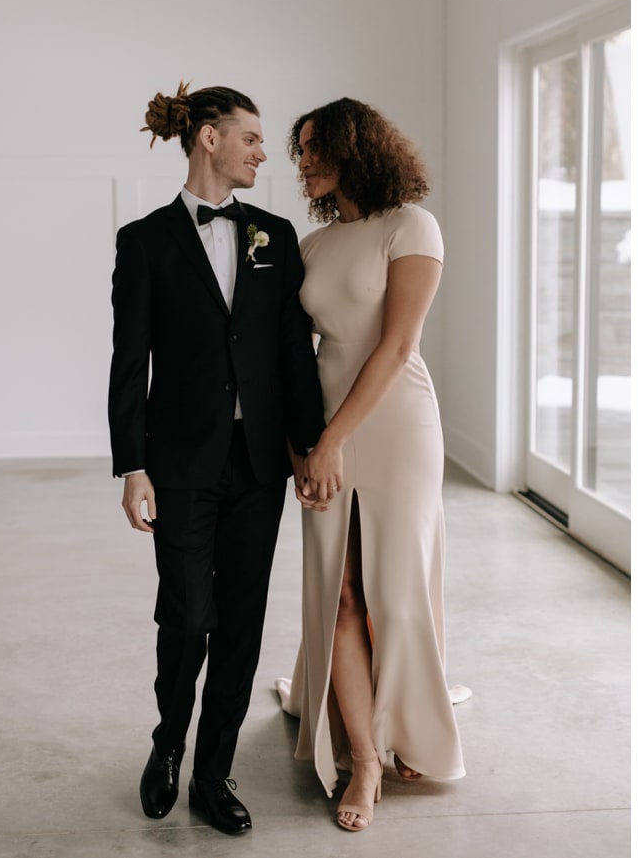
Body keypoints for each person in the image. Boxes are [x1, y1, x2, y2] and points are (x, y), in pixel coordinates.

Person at [110, 82, 326, 835]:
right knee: (188, 613)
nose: (264, 154)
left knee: (240, 618)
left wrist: (308, 446)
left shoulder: (276, 235)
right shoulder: (144, 242)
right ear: (209, 138)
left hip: (260, 462)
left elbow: (294, 356)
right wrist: (131, 465)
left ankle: (213, 770)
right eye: (252, 139)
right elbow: (127, 360)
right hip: (179, 461)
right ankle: (169, 741)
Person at [278, 97, 463, 832]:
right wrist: (306, 446)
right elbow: (292, 359)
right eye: (299, 151)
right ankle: (364, 757)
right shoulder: (313, 247)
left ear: (358, 148)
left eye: (316, 148)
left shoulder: (412, 226)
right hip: (325, 429)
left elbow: (395, 348)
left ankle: (415, 724)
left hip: (396, 425)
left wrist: (333, 441)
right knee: (342, 593)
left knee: (397, 591)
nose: (303, 163)